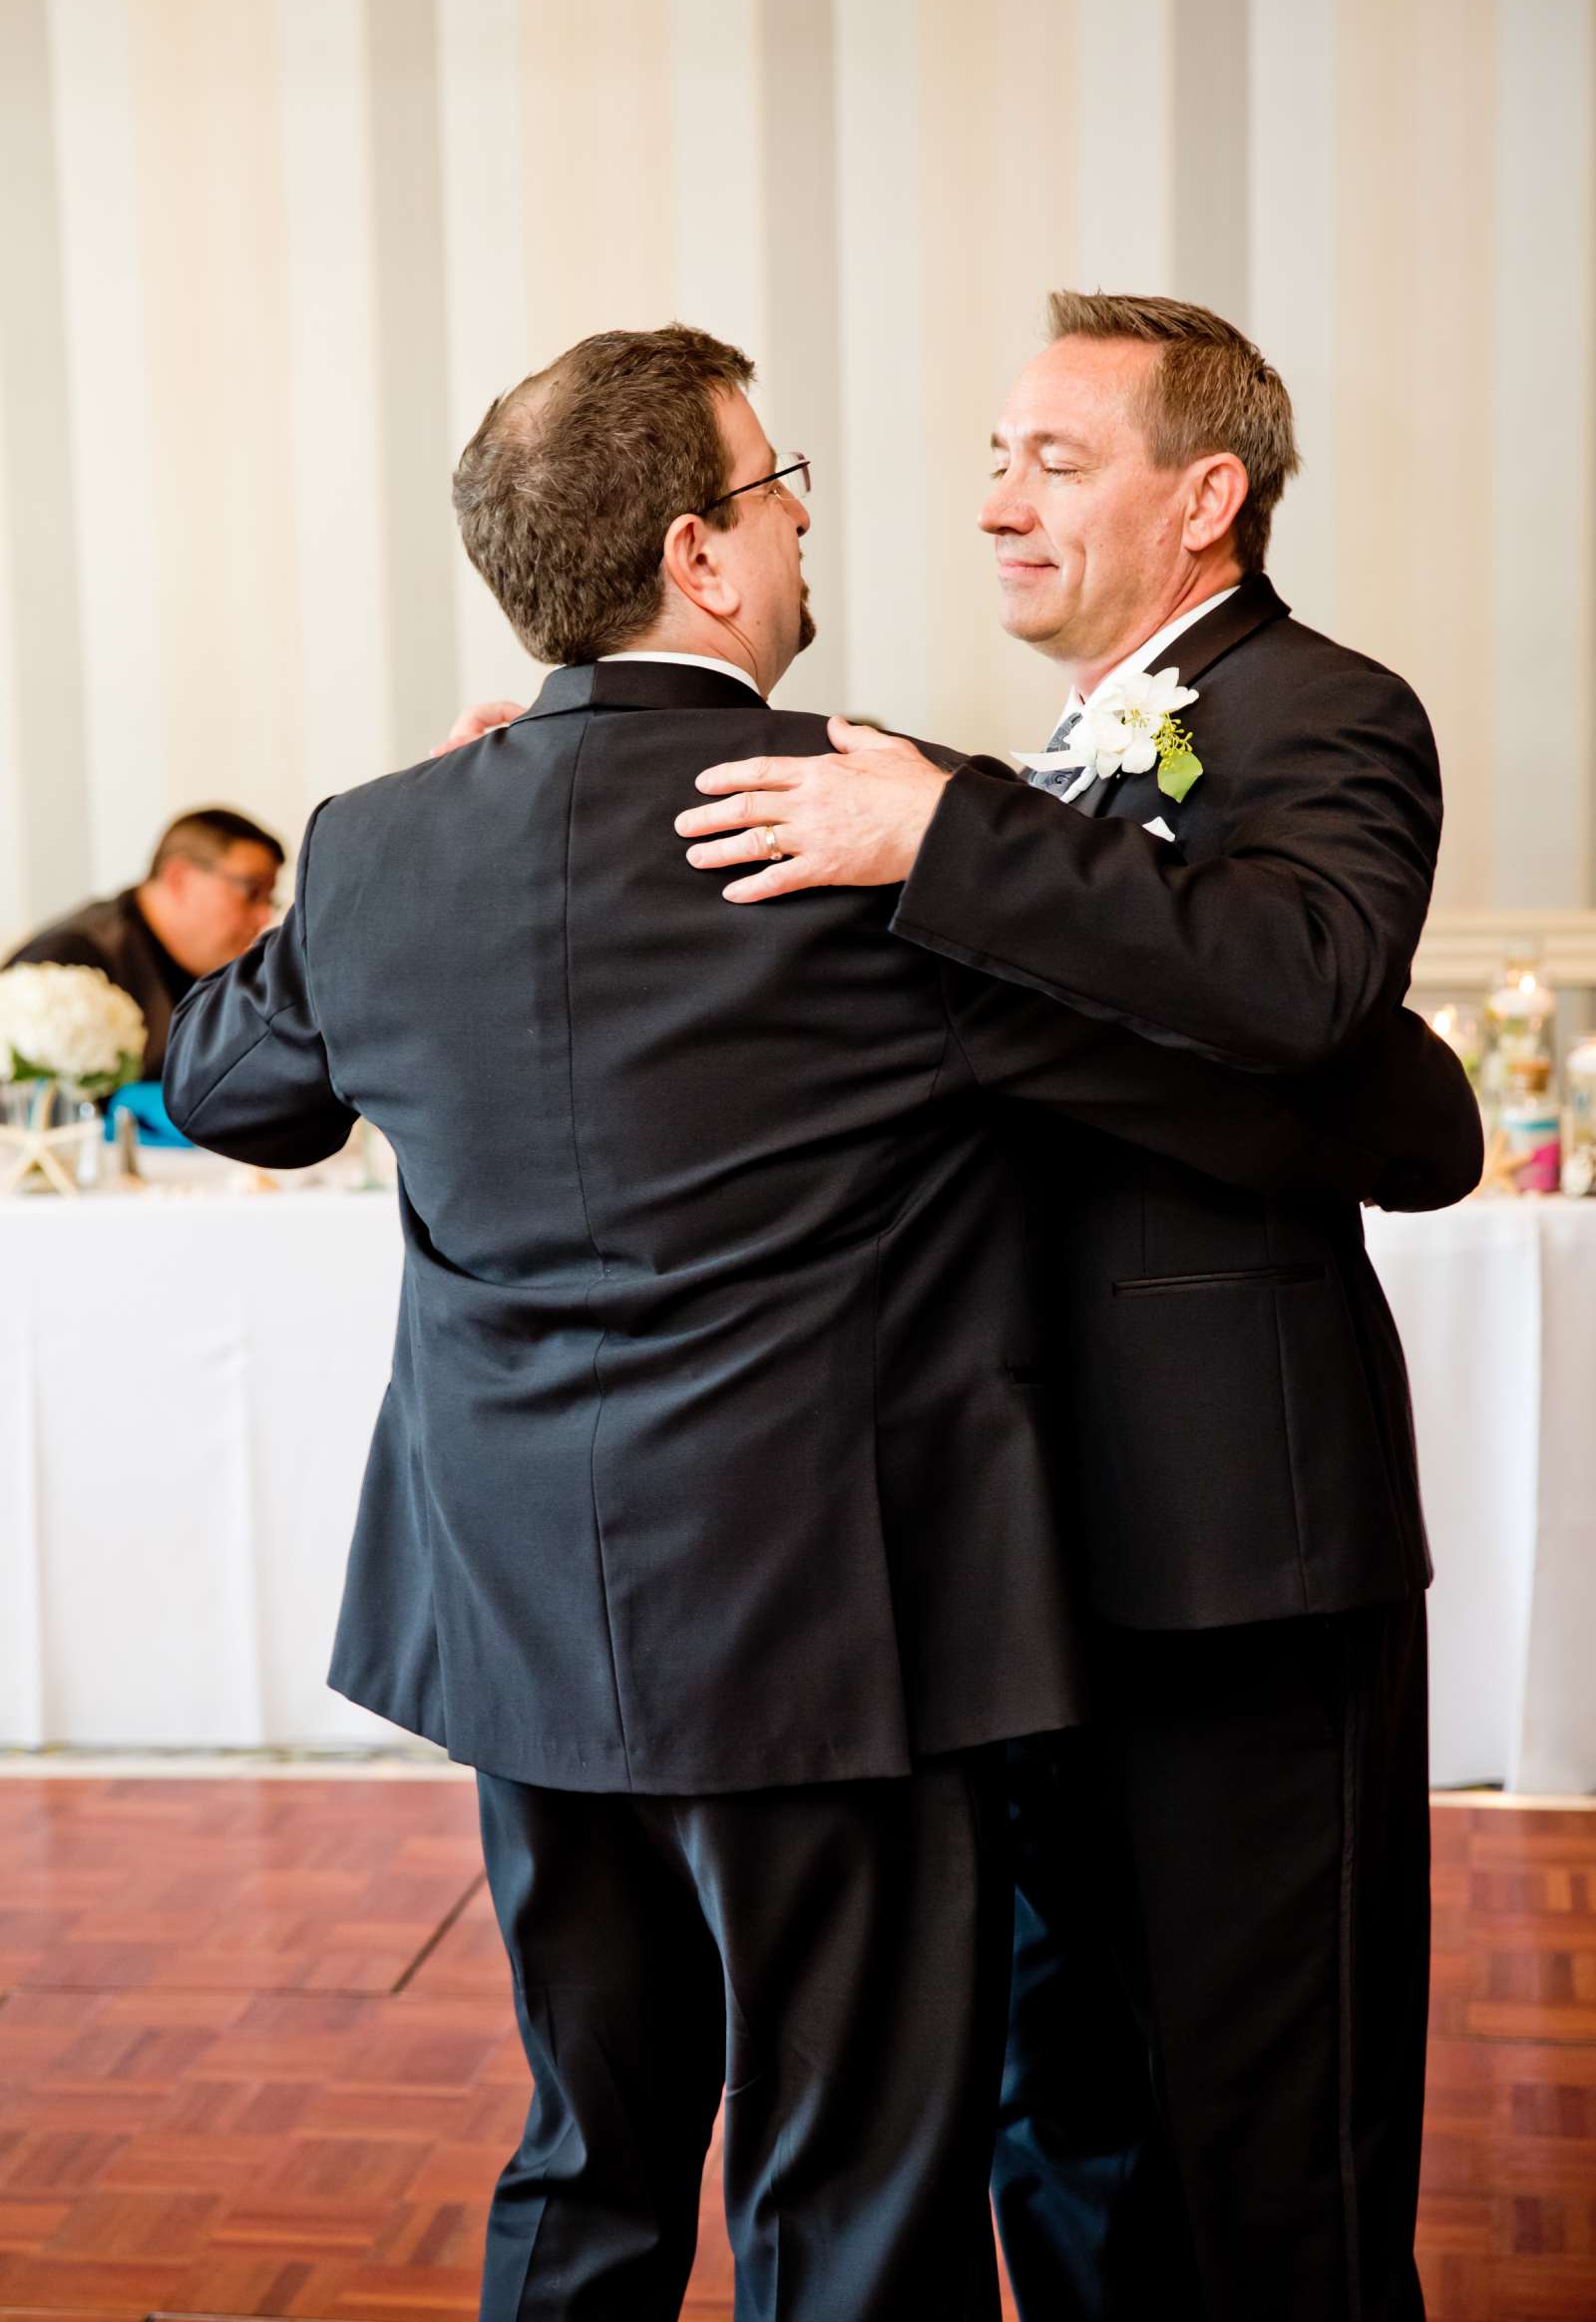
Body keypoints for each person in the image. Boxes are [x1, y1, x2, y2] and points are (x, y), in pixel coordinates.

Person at [166, 325, 1477, 2322]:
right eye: (781, 490)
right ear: (702, 558)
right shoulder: (851, 838)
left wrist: (400, 855)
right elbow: (1364, 1107)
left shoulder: (378, 844)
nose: (812, 524)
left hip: (523, 1627)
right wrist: (962, 844)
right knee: (845, 2180)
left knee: (584, 2153)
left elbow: (227, 1090)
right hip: (824, 1631)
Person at [670, 291, 1463, 2320]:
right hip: (1031, 1560)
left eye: (1052, 457)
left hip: (1237, 1547)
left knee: (1275, 2116)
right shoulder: (1044, 770)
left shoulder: (1320, 709)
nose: (992, 499)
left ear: (1205, 499)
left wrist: (947, 833)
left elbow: (1296, 990)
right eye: (992, 457)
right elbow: (1345, 1089)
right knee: (1073, 2099)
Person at [5, 810, 283, 1079]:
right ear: (179, 878)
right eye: (252, 892)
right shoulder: (71, 960)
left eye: (269, 899)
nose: (264, 916)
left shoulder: (226, 968)